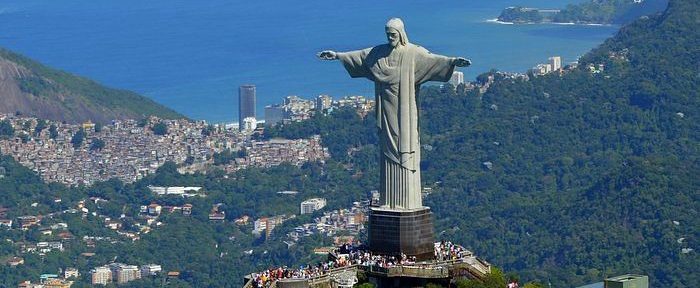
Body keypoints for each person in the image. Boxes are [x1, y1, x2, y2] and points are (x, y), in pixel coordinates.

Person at [319, 18, 470, 210]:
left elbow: (433, 60)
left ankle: (407, 203)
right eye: (388, 34)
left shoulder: (413, 53)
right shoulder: (378, 54)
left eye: (393, 34)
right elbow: (359, 57)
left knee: (405, 149)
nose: (390, 38)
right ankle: (390, 202)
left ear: (401, 34)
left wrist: (453, 61)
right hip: (386, 111)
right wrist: (337, 55)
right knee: (388, 152)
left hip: (405, 112)